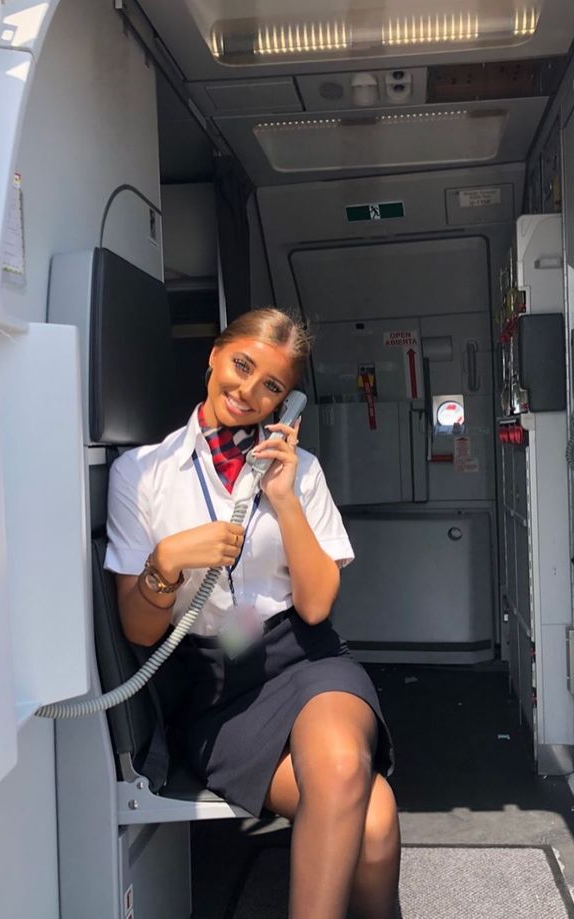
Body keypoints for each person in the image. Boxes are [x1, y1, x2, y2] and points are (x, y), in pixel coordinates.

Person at [105, 307, 400, 919]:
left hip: (304, 658)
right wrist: (166, 561)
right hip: (215, 685)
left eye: (271, 385)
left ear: (286, 400)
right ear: (214, 355)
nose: (248, 392)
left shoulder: (303, 472)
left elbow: (317, 604)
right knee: (372, 820)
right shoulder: (142, 474)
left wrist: (284, 500)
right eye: (242, 366)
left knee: (344, 762)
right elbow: (139, 629)